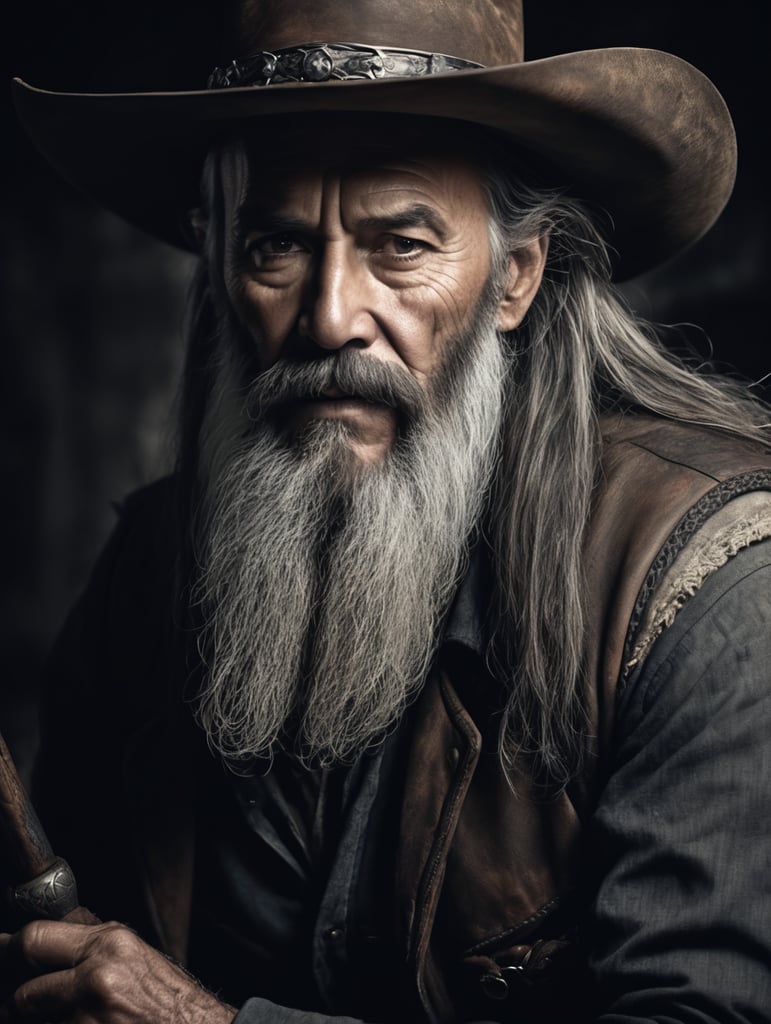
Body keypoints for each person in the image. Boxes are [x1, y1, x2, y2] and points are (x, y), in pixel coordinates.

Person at [4, 1, 771, 1021]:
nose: (329, 315)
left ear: (515, 277)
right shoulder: (152, 571)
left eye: (401, 246)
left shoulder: (707, 589)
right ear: (218, 260)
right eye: (277, 244)